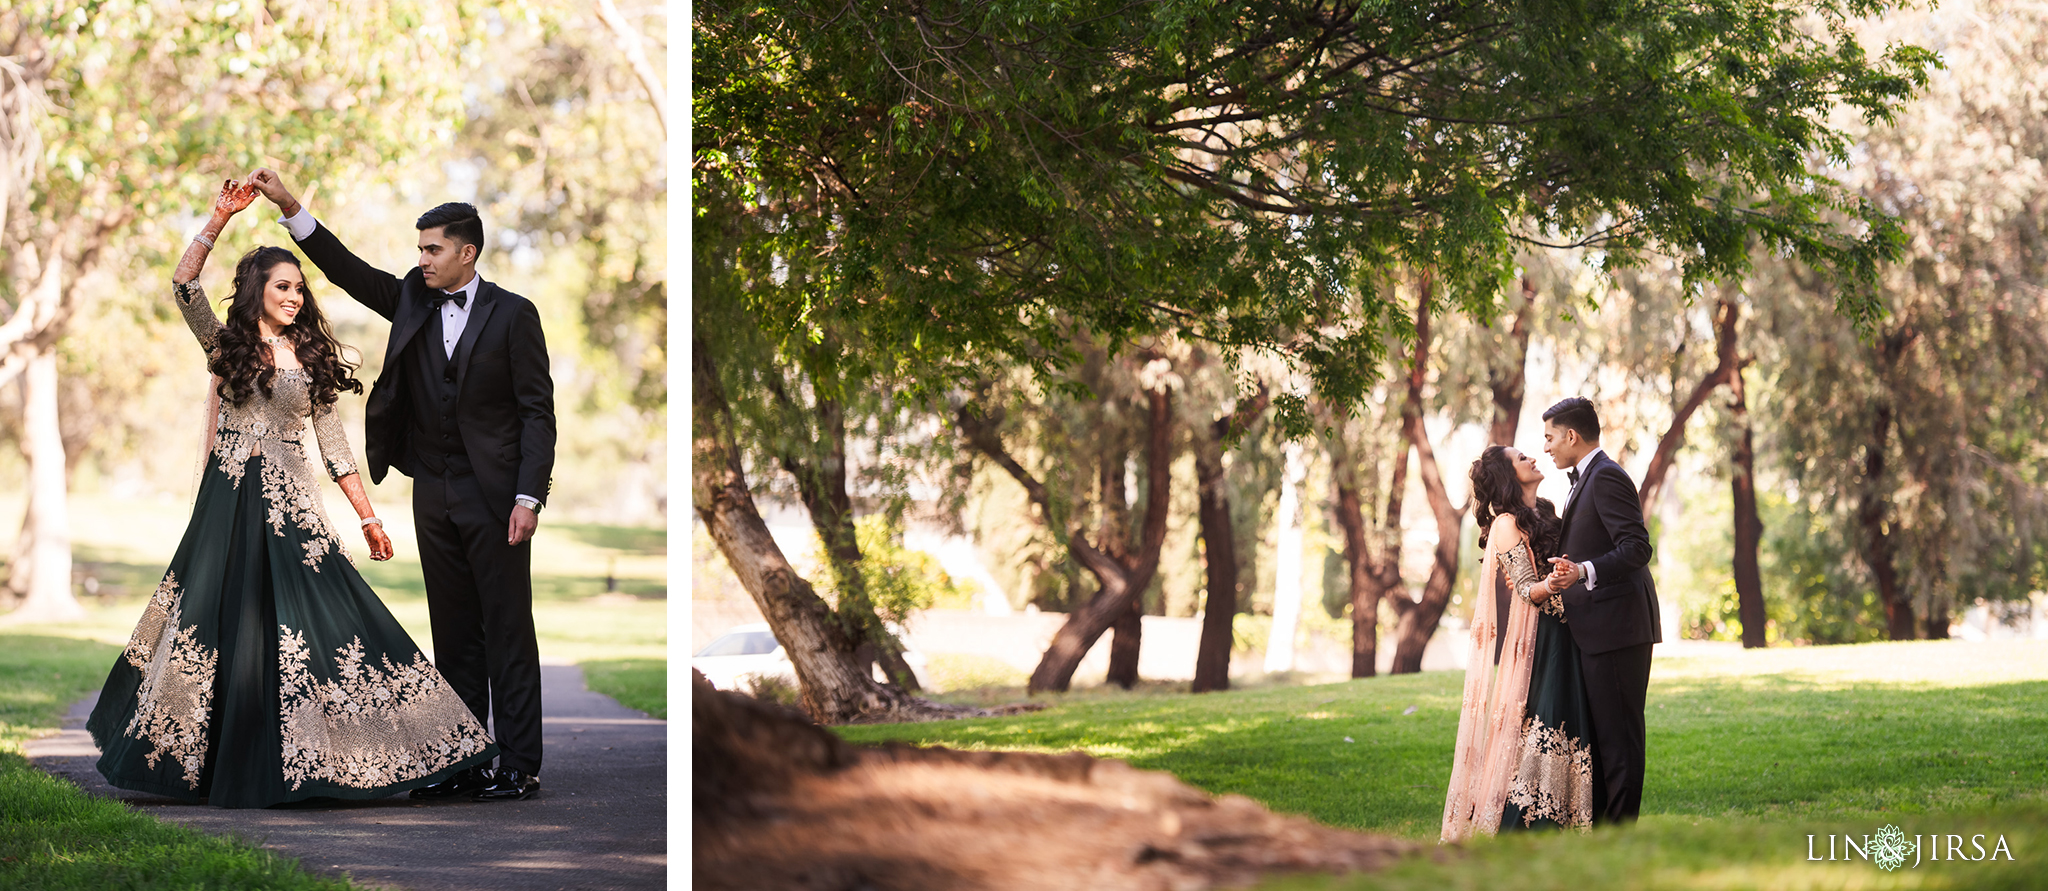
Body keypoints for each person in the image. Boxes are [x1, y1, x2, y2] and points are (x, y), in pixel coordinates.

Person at [88, 179, 498, 809]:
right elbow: (183, 287)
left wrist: (367, 518)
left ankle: (354, 754)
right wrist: (218, 217)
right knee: (216, 624)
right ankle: (212, 759)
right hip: (228, 504)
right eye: (282, 285)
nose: (293, 295)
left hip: (294, 508)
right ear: (257, 291)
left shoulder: (309, 358)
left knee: (325, 623)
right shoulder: (225, 347)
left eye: (299, 287)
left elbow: (333, 443)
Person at [243, 167, 557, 802]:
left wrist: (529, 496)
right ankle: (464, 761)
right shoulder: (414, 295)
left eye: (432, 249)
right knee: (452, 628)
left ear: (467, 252)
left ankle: (519, 764)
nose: (422, 259)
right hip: (432, 489)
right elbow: (345, 269)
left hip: (498, 497)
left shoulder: (515, 315)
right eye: (419, 249)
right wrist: (289, 206)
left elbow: (537, 413)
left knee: (506, 629)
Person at [1441, 445, 1597, 841]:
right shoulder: (1506, 524)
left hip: (1573, 629)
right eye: (1520, 457)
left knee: (1574, 719)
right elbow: (1525, 589)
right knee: (1547, 718)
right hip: (1544, 637)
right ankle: (1526, 829)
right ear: (1509, 475)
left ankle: (1573, 822)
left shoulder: (1546, 509)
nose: (1531, 457)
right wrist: (1554, 583)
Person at [1540, 396, 1661, 823]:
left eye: (1550, 437)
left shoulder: (1606, 476)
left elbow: (1637, 548)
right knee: (1605, 738)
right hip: (1598, 630)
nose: (1546, 447)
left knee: (1620, 741)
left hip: (1619, 629)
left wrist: (1583, 571)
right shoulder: (1584, 479)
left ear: (1572, 435)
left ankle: (1619, 839)